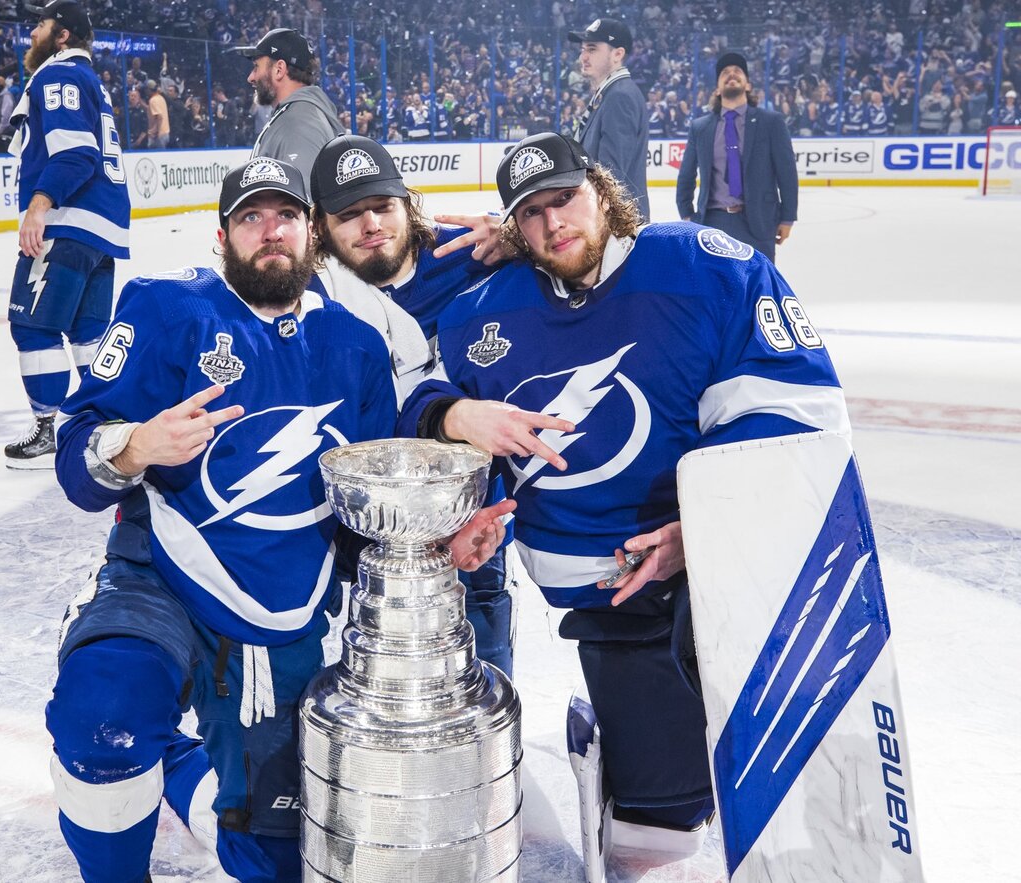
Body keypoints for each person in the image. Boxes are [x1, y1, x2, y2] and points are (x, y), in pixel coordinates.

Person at [47, 157, 513, 883]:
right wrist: (137, 444)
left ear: (310, 232)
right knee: (102, 715)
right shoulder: (165, 310)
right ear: (223, 234)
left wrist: (441, 547)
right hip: (161, 581)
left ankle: (184, 769)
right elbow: (75, 458)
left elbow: (363, 518)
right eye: (251, 218)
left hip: (283, 617)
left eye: (286, 216)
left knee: (273, 860)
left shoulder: (355, 346)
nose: (272, 233)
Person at [399, 132, 849, 879]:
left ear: (601, 192)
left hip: (732, 570)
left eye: (565, 199)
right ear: (513, 226)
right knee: (661, 835)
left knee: (776, 781)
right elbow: (422, 396)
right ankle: (625, 765)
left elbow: (798, 412)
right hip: (609, 596)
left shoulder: (704, 268)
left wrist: (703, 530)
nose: (552, 224)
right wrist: (453, 420)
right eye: (531, 213)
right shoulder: (483, 313)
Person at [307, 133, 519, 677]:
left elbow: (582, 252)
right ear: (322, 228)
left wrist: (517, 233)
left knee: (484, 670)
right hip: (372, 524)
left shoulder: (470, 254)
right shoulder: (310, 293)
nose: (372, 224)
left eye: (383, 206)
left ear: (408, 203)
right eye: (350, 215)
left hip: (474, 515)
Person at [3, 0, 130, 469]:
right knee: (87, 332)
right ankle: (103, 423)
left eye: (41, 24)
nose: (32, 32)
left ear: (62, 35)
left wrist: (40, 207)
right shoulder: (90, 79)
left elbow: (75, 155)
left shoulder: (56, 77)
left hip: (69, 223)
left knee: (31, 324)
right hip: (101, 228)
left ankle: (44, 431)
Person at [675, 52, 798, 263]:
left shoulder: (771, 123)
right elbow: (686, 175)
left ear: (748, 85)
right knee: (715, 290)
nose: (731, 74)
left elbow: (786, 173)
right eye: (725, 72)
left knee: (756, 290)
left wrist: (787, 218)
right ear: (717, 88)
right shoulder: (700, 128)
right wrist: (687, 216)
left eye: (737, 71)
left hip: (759, 222)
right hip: (712, 223)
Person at [235, 28, 343, 194]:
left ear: (279, 69)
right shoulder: (298, 114)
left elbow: (304, 207)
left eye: (256, 67)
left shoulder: (299, 123)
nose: (251, 77)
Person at [568, 17, 649, 220]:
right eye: (583, 49)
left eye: (592, 49)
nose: (583, 57)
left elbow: (610, 175)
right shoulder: (609, 94)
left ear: (618, 54)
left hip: (615, 225)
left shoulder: (620, 96)